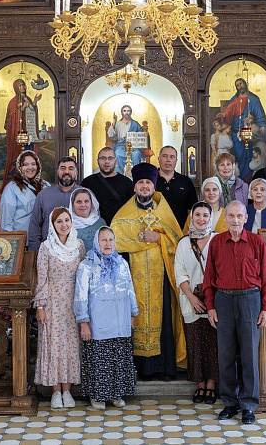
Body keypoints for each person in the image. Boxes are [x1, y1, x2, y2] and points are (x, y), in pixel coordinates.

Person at [110, 162, 185, 380]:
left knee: (162, 317)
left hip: (160, 276)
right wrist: (141, 242)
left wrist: (159, 238)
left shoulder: (164, 211)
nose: (144, 187)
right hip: (133, 278)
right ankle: (138, 369)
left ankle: (163, 368)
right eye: (141, 183)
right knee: (135, 316)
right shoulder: (123, 214)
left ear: (154, 186)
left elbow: (178, 242)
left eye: (148, 183)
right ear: (134, 186)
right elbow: (116, 243)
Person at [202, 201, 266, 425]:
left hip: (250, 300)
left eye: (239, 216)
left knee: (249, 355)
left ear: (246, 218)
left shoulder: (257, 242)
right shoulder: (216, 243)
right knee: (225, 355)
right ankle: (230, 403)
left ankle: (249, 405)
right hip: (223, 300)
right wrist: (211, 306)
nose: (234, 220)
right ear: (226, 218)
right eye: (231, 216)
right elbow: (209, 277)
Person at [74, 227, 139, 410]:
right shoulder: (87, 265)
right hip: (98, 322)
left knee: (119, 357)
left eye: (111, 239)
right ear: (96, 241)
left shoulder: (121, 263)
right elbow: (80, 295)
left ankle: (117, 394)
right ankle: (98, 395)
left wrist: (133, 313)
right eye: (103, 240)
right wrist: (84, 322)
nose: (108, 243)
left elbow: (130, 288)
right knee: (99, 358)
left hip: (120, 321)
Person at [34, 208, 85, 409]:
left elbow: (84, 277)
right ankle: (56, 391)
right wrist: (40, 306)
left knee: (72, 346)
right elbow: (42, 278)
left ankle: (68, 390)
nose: (64, 225)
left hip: (73, 305)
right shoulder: (46, 248)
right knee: (53, 346)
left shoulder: (79, 246)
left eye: (67, 220)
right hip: (52, 304)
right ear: (53, 225)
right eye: (59, 222)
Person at [174, 202, 219, 405]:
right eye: (197, 214)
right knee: (195, 344)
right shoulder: (184, 243)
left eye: (205, 215)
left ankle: (212, 385)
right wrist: (191, 297)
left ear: (211, 217)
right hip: (190, 300)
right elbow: (179, 272)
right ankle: (199, 385)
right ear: (192, 217)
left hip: (214, 302)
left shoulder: (218, 239)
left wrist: (212, 300)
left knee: (213, 344)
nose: (201, 219)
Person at [216, 78, 266, 177]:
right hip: (236, 132)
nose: (239, 86)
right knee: (239, 154)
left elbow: (259, 113)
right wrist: (223, 115)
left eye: (241, 84)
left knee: (248, 154)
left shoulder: (253, 99)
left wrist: (262, 125)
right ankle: (239, 177)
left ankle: (247, 177)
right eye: (237, 85)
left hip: (248, 131)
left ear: (245, 84)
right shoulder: (234, 100)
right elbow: (228, 111)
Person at [27, 157, 80, 250]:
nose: (66, 171)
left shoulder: (85, 195)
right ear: (57, 172)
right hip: (48, 251)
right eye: (63, 168)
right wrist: (36, 252)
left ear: (76, 172)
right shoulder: (44, 195)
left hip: (76, 251)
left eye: (71, 168)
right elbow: (35, 226)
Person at [81, 147, 134, 225]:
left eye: (110, 158)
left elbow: (131, 209)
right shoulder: (87, 182)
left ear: (115, 161)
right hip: (94, 227)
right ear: (98, 161)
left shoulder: (127, 183)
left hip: (119, 228)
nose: (107, 161)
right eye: (103, 158)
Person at [3, 79, 43, 179]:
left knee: (29, 153)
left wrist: (34, 102)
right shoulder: (13, 101)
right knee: (19, 155)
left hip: (29, 133)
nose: (23, 87)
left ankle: (31, 176)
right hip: (19, 134)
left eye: (23, 85)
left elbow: (31, 111)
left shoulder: (27, 98)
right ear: (16, 88)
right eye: (20, 85)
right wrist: (21, 109)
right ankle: (17, 175)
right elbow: (11, 117)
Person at [0, 150, 47, 232]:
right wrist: (12, 241)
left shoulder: (45, 185)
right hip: (22, 239)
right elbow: (6, 221)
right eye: (25, 164)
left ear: (38, 166)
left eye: (33, 164)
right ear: (19, 168)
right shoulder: (11, 188)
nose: (30, 167)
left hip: (44, 239)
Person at [155, 146, 197, 230]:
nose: (168, 160)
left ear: (176, 161)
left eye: (172, 157)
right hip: (155, 230)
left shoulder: (185, 181)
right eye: (165, 156)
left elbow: (192, 210)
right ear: (159, 158)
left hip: (180, 231)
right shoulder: (150, 181)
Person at [107, 105, 142, 174]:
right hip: (121, 145)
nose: (126, 112)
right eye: (124, 111)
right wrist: (114, 122)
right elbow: (111, 135)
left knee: (136, 154)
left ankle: (136, 174)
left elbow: (141, 135)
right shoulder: (118, 124)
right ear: (122, 112)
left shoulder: (135, 124)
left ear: (130, 112)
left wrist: (134, 138)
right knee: (118, 153)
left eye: (128, 111)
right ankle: (120, 174)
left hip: (133, 145)